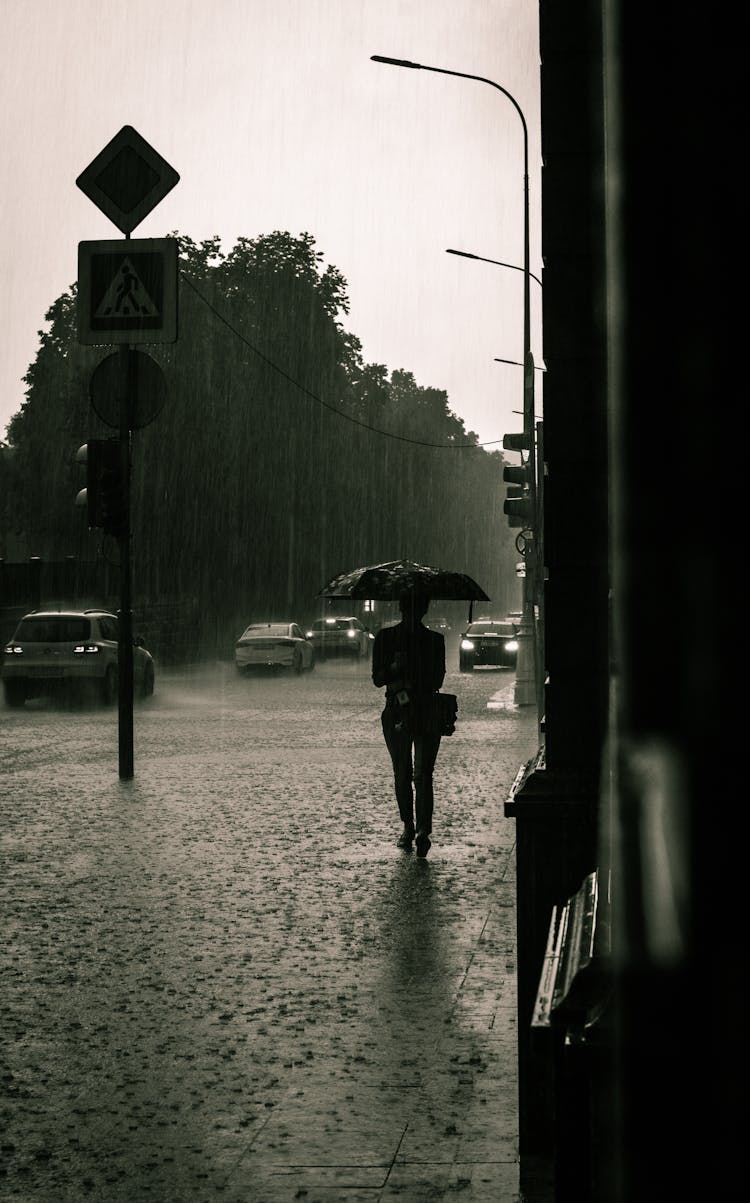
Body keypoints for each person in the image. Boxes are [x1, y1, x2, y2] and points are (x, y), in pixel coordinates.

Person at [372, 590, 446, 857]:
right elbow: (378, 678)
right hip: (400, 711)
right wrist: (394, 668)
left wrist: (412, 671)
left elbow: (437, 679)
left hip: (421, 710)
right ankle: (413, 826)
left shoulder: (433, 641)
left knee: (417, 773)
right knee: (409, 773)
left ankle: (418, 829)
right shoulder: (387, 638)